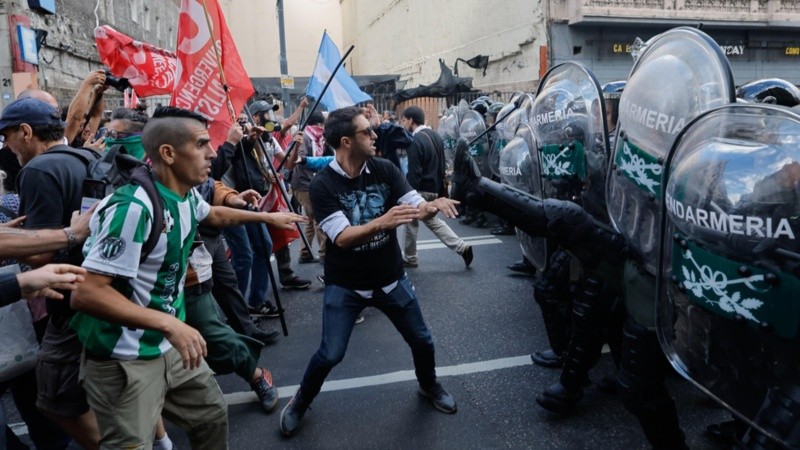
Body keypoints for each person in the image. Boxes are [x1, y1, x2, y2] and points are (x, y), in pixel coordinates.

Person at [70, 106, 304, 449]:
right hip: (123, 359)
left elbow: (213, 214)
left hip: (171, 348)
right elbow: (87, 294)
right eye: (201, 145)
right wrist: (171, 324)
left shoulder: (184, 194)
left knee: (210, 417)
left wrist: (267, 219)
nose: (212, 153)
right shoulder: (134, 207)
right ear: (167, 153)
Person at [280, 106, 461, 437]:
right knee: (330, 353)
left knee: (422, 340)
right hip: (346, 286)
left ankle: (428, 385)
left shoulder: (384, 168)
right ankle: (300, 401)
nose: (375, 136)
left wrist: (428, 206)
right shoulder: (323, 186)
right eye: (367, 132)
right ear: (346, 141)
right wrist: (383, 221)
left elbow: (412, 201)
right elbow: (343, 238)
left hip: (391, 279)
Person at [0, 96, 101, 449]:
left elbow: (42, 253)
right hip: (96, 294)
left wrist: (20, 252)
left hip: (60, 301)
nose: (7, 148)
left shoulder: (38, 171)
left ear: (25, 132)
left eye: (7, 137)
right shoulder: (88, 157)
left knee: (54, 396)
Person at [400, 106, 473, 268]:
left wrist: (410, 193)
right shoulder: (436, 136)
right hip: (434, 189)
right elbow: (442, 165)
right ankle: (462, 247)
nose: (403, 124)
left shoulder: (415, 140)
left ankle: (410, 257)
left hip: (419, 191)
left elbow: (415, 171)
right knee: (433, 222)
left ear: (411, 120)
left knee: (411, 223)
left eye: (404, 120)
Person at [291, 110, 327, 263]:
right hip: (304, 184)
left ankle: (305, 254)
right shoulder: (305, 137)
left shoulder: (319, 138)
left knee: (311, 219)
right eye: (321, 124)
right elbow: (299, 158)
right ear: (318, 124)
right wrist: (312, 163)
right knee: (319, 218)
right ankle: (325, 254)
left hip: (311, 183)